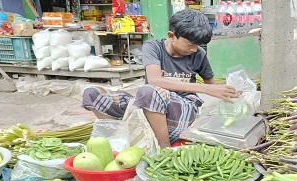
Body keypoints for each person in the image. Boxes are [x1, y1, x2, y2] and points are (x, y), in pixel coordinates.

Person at [82, 9, 238, 148]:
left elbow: (211, 85)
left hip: (181, 110)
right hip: (149, 105)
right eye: (190, 44)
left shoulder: (198, 55)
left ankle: (164, 149)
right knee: (92, 94)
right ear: (172, 36)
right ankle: (121, 133)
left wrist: (230, 90)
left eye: (198, 46)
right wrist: (205, 89)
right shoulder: (153, 47)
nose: (194, 49)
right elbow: (154, 80)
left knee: (148, 92)